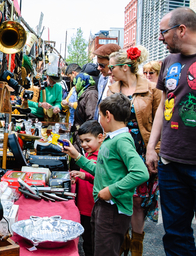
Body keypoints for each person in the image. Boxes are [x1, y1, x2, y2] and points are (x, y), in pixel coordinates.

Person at [62, 93, 149, 256]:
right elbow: (102, 171)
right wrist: (77, 157)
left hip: (112, 209)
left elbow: (141, 173)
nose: (99, 119)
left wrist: (112, 191)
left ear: (107, 116)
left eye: (100, 115)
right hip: (103, 206)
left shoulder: (121, 140)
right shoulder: (112, 139)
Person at [146, 7, 196, 256]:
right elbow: (163, 107)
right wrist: (151, 147)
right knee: (176, 234)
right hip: (170, 162)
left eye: (163, 32)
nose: (160, 38)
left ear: (182, 30)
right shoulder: (168, 62)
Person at [106, 45, 162, 256]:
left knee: (138, 201)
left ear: (126, 67)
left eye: (113, 68)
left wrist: (154, 151)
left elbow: (159, 122)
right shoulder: (112, 89)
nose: (110, 72)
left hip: (141, 151)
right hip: (119, 151)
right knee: (121, 196)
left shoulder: (152, 89)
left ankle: (137, 246)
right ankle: (123, 239)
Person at [69, 120, 104, 256]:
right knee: (87, 240)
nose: (83, 145)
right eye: (82, 141)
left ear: (100, 138)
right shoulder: (88, 154)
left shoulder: (101, 156)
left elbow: (100, 176)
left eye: (87, 141)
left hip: (92, 207)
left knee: (92, 242)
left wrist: (84, 176)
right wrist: (78, 176)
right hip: (84, 207)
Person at [70, 73, 98, 156]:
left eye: (75, 84)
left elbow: (91, 116)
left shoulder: (91, 94)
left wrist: (85, 136)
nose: (74, 87)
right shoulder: (85, 93)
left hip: (84, 135)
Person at [92, 43, 121, 120]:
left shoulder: (124, 83)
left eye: (102, 65)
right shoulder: (102, 78)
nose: (98, 68)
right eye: (98, 64)